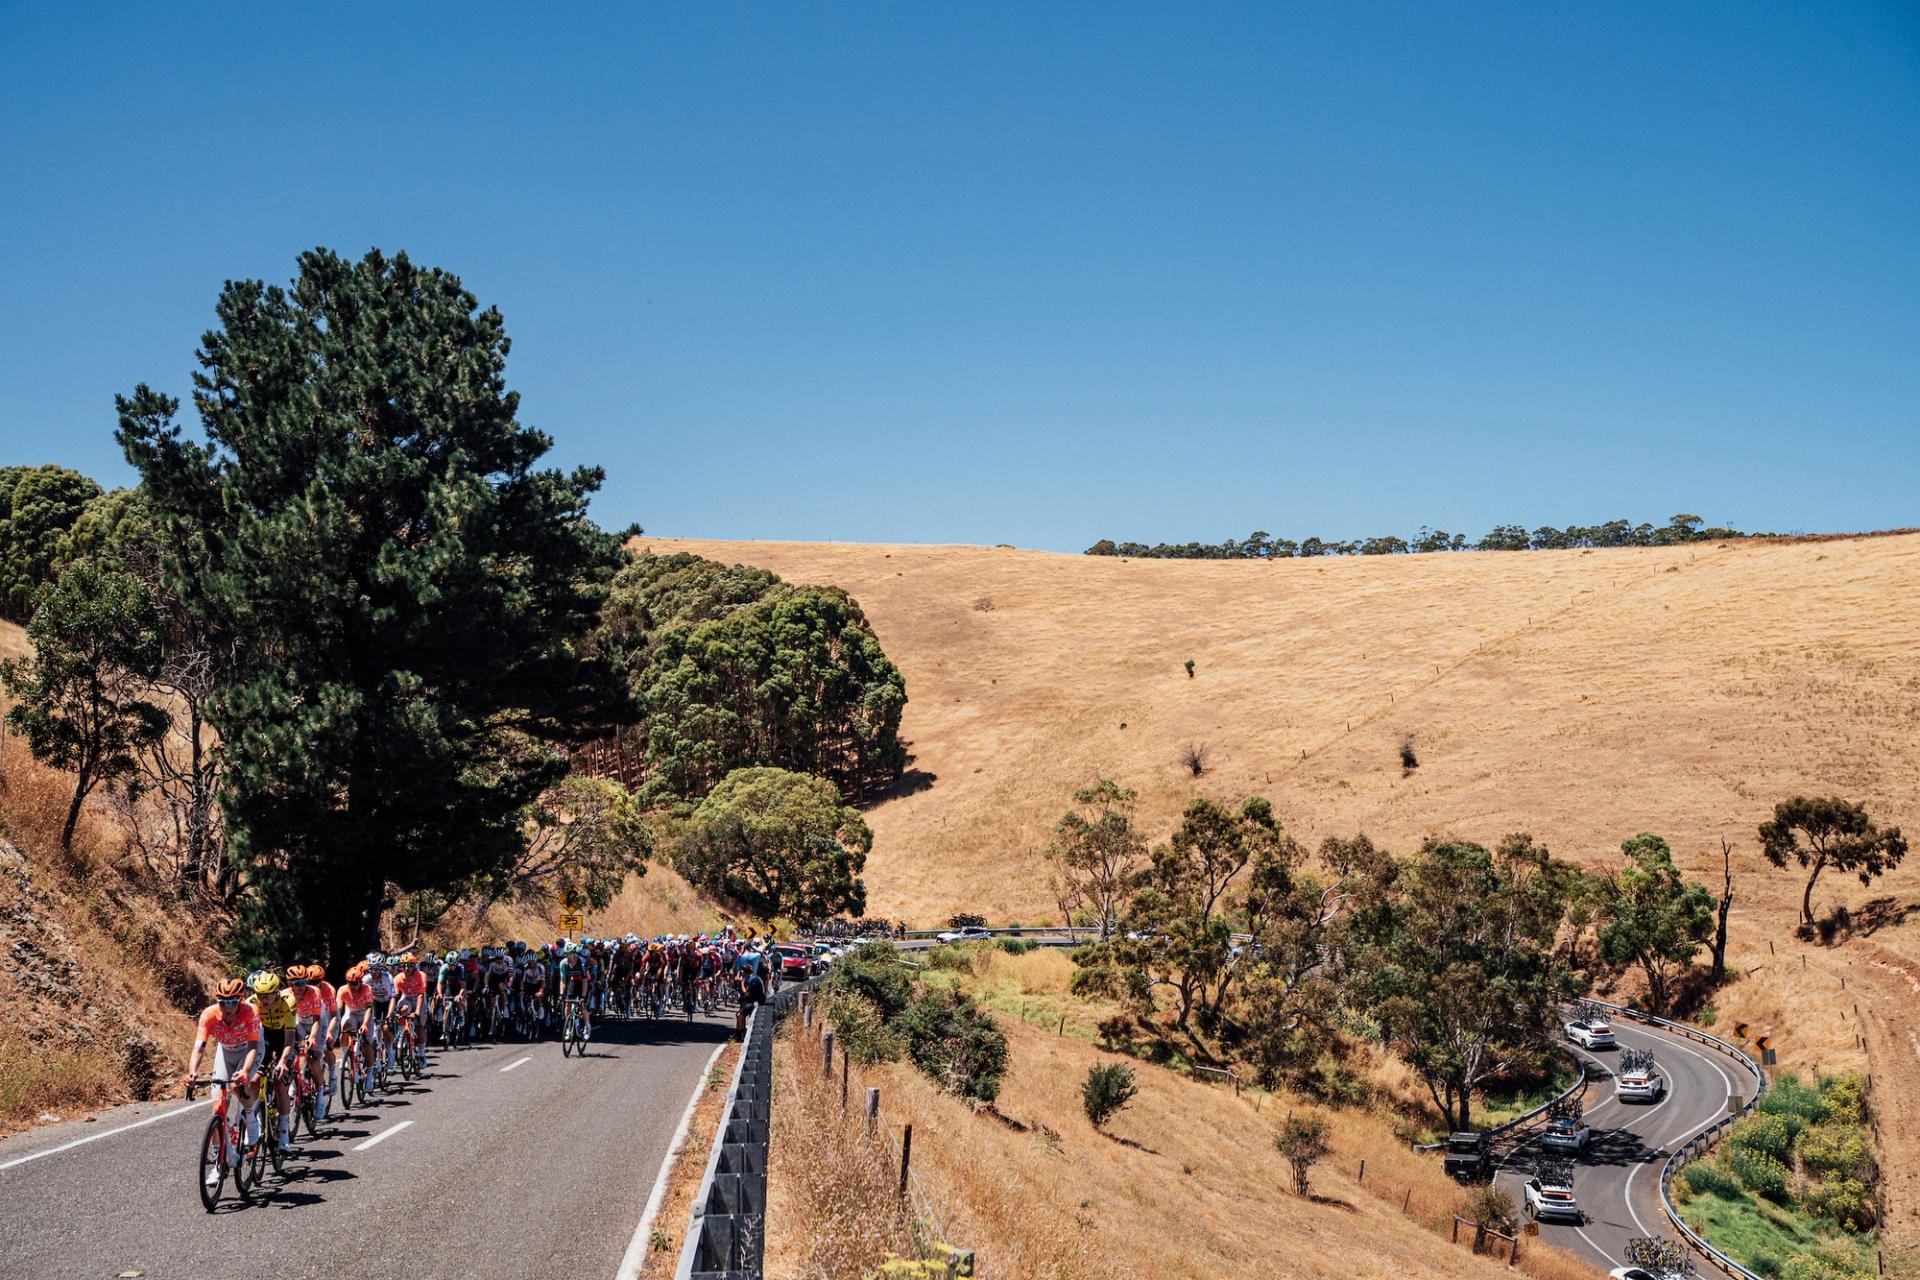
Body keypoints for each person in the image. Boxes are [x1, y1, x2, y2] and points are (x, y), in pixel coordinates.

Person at [184, 977, 264, 1185]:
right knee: (218, 1108)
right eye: (222, 1002)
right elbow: (199, 1048)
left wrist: (245, 1071)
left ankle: (250, 1116)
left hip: (250, 1049)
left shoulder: (250, 1011)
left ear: (240, 1000)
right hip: (226, 1051)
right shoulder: (209, 1015)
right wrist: (192, 1072)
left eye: (232, 1002)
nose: (227, 1007)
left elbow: (254, 1047)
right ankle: (219, 1164)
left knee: (242, 1088)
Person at [247, 969, 300, 1156]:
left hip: (286, 1038)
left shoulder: (288, 1002)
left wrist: (283, 1061)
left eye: (267, 996)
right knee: (252, 1080)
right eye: (260, 995)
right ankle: (255, 1119)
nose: (263, 1000)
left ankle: (284, 1133)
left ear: (276, 992)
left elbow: (289, 1040)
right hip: (265, 1039)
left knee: (279, 1084)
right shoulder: (251, 1003)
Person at [287, 963, 337, 1120]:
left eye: (304, 982)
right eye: (297, 983)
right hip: (300, 1022)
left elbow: (316, 1020)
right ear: (290, 984)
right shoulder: (285, 995)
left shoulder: (314, 992)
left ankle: (321, 1093)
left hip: (319, 1023)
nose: (301, 986)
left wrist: (313, 1037)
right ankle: (296, 1083)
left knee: (314, 1056)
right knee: (291, 1051)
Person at [734, 949, 766, 1040]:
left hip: (756, 1001)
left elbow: (746, 993)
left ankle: (739, 1036)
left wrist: (740, 983)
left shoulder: (753, 980)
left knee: (740, 1015)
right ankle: (741, 1032)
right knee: (739, 1014)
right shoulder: (750, 976)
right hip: (751, 999)